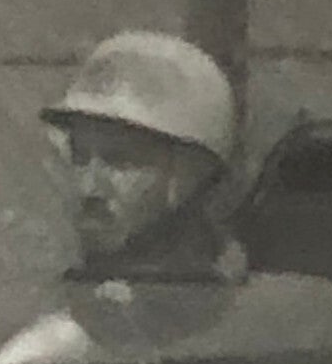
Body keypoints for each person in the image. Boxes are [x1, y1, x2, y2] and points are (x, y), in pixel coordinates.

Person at [41, 31, 247, 283]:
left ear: (190, 173)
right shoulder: (61, 317)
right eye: (79, 156)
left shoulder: (251, 316)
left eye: (119, 161)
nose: (89, 187)